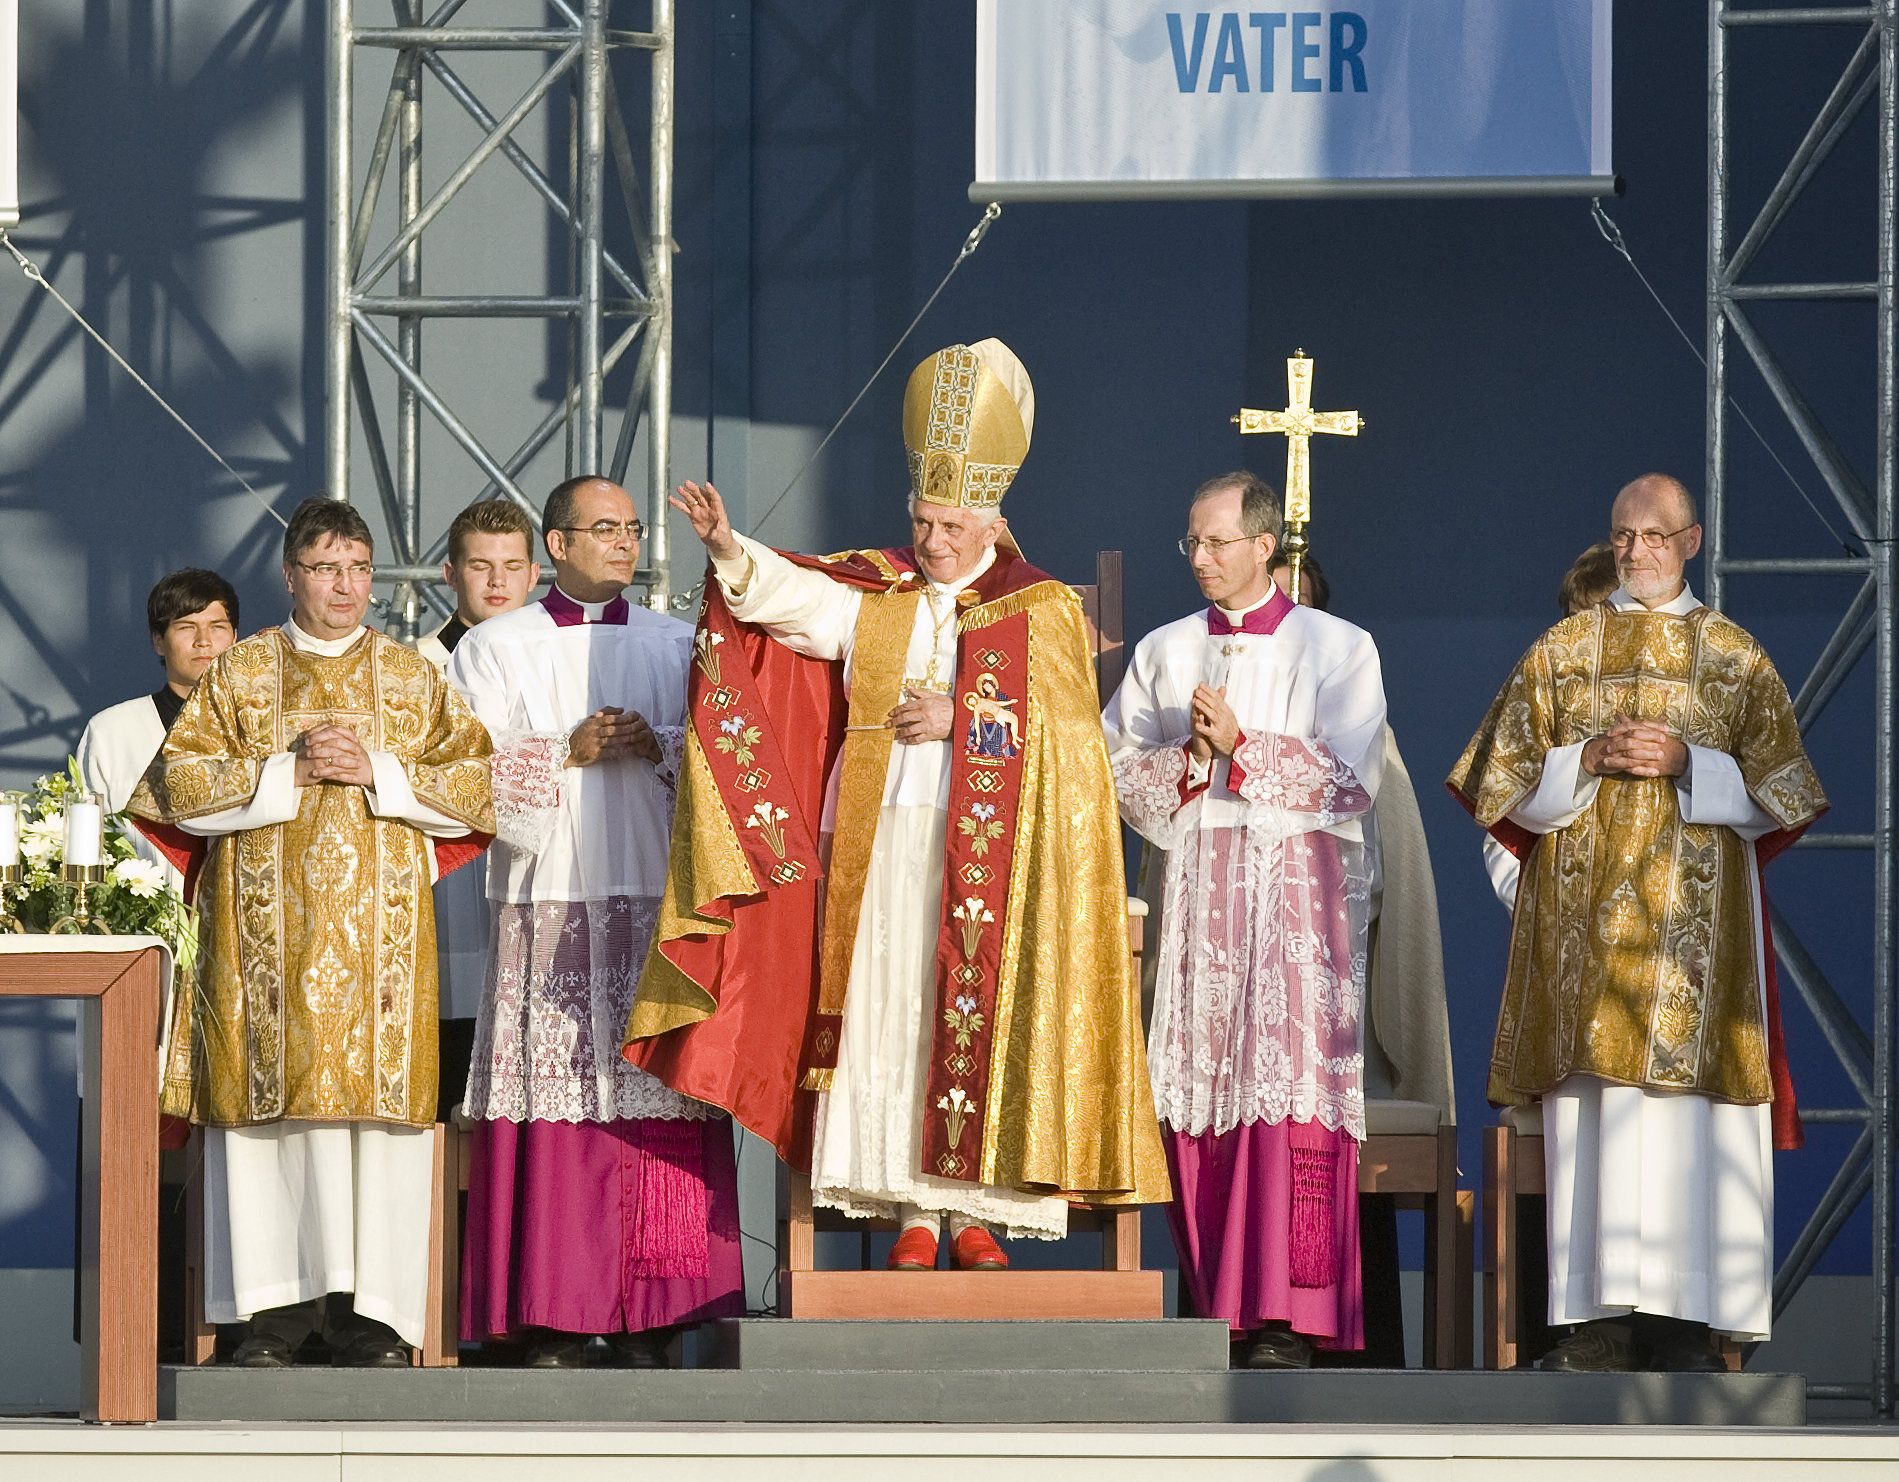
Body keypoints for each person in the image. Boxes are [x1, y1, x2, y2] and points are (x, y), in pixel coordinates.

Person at [626, 339, 1168, 1271]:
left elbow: (1077, 749)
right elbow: (796, 605)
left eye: (950, 524)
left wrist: (965, 719)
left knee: (973, 1013)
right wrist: (726, 548)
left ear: (992, 523)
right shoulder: (879, 595)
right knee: (893, 1014)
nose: (933, 540)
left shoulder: (1037, 607)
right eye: (922, 519)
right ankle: (912, 1209)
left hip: (994, 864)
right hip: (880, 848)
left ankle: (977, 1213)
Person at [1448, 473, 1826, 1372]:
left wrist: (1691, 760)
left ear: (1690, 542)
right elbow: (1495, 783)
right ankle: (1596, 1325)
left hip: (1698, 942)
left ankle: (1688, 1328)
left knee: (1688, 1129)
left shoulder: (1734, 657)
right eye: (1622, 535)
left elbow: (1785, 793)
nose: (1635, 551)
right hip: (1587, 939)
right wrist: (1580, 759)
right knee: (1598, 1121)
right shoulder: (1562, 649)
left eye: (1655, 536)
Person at [129, 497, 494, 1367]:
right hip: (264, 949)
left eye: (359, 569)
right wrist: (283, 772)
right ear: (291, 575)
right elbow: (175, 786)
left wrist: (380, 770)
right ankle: (272, 1320)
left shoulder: (410, 676)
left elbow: (478, 787)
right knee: (273, 1126)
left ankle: (376, 1321)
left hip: (383, 950)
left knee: (378, 1132)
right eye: (327, 569)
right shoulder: (242, 671)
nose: (345, 586)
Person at [448, 475, 742, 1368]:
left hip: (655, 901)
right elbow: (459, 776)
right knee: (559, 1109)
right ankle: (557, 1312)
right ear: (557, 544)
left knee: (655, 1101)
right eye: (604, 528)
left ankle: (657, 1314)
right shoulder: (496, 645)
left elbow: (730, 764)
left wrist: (663, 746)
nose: (624, 542)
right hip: (549, 900)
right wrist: (561, 751)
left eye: (633, 528)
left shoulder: (676, 640)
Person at [1102, 471, 1388, 1368]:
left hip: (1295, 903)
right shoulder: (1165, 649)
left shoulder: (1337, 646)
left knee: (1288, 1099)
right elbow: (1114, 771)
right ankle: (1216, 1311)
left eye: (1216, 541)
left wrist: (1242, 746)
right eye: (1190, 541)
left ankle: (1288, 1319)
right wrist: (1190, 761)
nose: (1199, 557)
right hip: (1200, 900)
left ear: (1265, 545)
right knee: (1201, 1095)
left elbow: (1353, 777)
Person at [72, 569, 239, 1354]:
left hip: (246, 965)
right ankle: (144, 1338)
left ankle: (250, 1328)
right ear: (157, 642)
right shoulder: (116, 731)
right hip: (150, 969)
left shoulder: (266, 731)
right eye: (186, 629)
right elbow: (95, 853)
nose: (204, 643)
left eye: (218, 627)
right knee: (144, 1150)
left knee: (242, 1145)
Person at [413, 500, 542, 1117]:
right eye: (479, 565)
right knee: (449, 1078)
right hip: (448, 890)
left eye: (512, 566)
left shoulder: (560, 658)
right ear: (449, 573)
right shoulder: (410, 668)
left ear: (535, 574)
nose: (497, 581)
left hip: (542, 883)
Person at [1483, 541, 1620, 911]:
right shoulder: (1541, 697)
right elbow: (1503, 818)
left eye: (1600, 621)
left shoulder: (1679, 699)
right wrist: (1544, 906)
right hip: (1560, 913)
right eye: (1573, 621)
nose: (1581, 637)